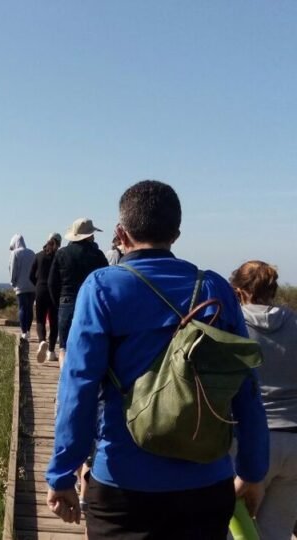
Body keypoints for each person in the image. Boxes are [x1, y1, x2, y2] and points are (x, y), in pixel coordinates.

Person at [44, 180, 269, 539]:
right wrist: (253, 471)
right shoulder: (214, 288)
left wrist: (62, 473)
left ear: (121, 232)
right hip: (206, 483)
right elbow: (246, 389)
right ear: (176, 234)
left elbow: (79, 388)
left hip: (123, 482)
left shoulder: (102, 287)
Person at [231, 260, 297, 540]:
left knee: (235, 530)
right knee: (276, 533)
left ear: (239, 289)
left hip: (248, 440)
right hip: (293, 439)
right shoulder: (294, 322)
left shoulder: (234, 324)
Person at [48, 218, 108, 364]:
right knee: (87, 346)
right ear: (89, 236)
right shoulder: (98, 255)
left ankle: (64, 379)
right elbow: (105, 281)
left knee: (64, 348)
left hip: (66, 301)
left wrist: (58, 303)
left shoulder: (62, 253)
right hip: (90, 303)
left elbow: (51, 282)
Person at [30, 233, 62, 362]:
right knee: (54, 323)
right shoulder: (59, 257)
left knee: (40, 320)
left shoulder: (38, 256)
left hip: (40, 290)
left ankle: (42, 341)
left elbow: (31, 275)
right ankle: (51, 352)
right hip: (54, 291)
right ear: (59, 244)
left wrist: (37, 285)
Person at [9, 234, 36, 340]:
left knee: (22, 308)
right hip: (32, 285)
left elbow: (13, 269)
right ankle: (28, 330)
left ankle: (23, 331)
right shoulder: (32, 253)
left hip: (21, 285)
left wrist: (13, 282)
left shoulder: (15, 253)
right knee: (29, 309)